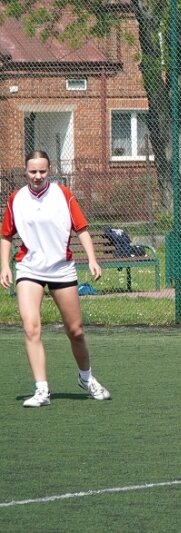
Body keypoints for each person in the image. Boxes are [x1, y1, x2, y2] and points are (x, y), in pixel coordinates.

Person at [0, 150, 111, 407]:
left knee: (76, 331)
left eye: (42, 171)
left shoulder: (63, 195)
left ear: (49, 171)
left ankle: (86, 377)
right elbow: (6, 236)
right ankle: (42, 390)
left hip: (61, 269)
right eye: (32, 171)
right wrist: (4, 265)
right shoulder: (16, 199)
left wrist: (93, 259)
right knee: (31, 326)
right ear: (25, 171)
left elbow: (81, 229)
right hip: (29, 269)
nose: (37, 176)